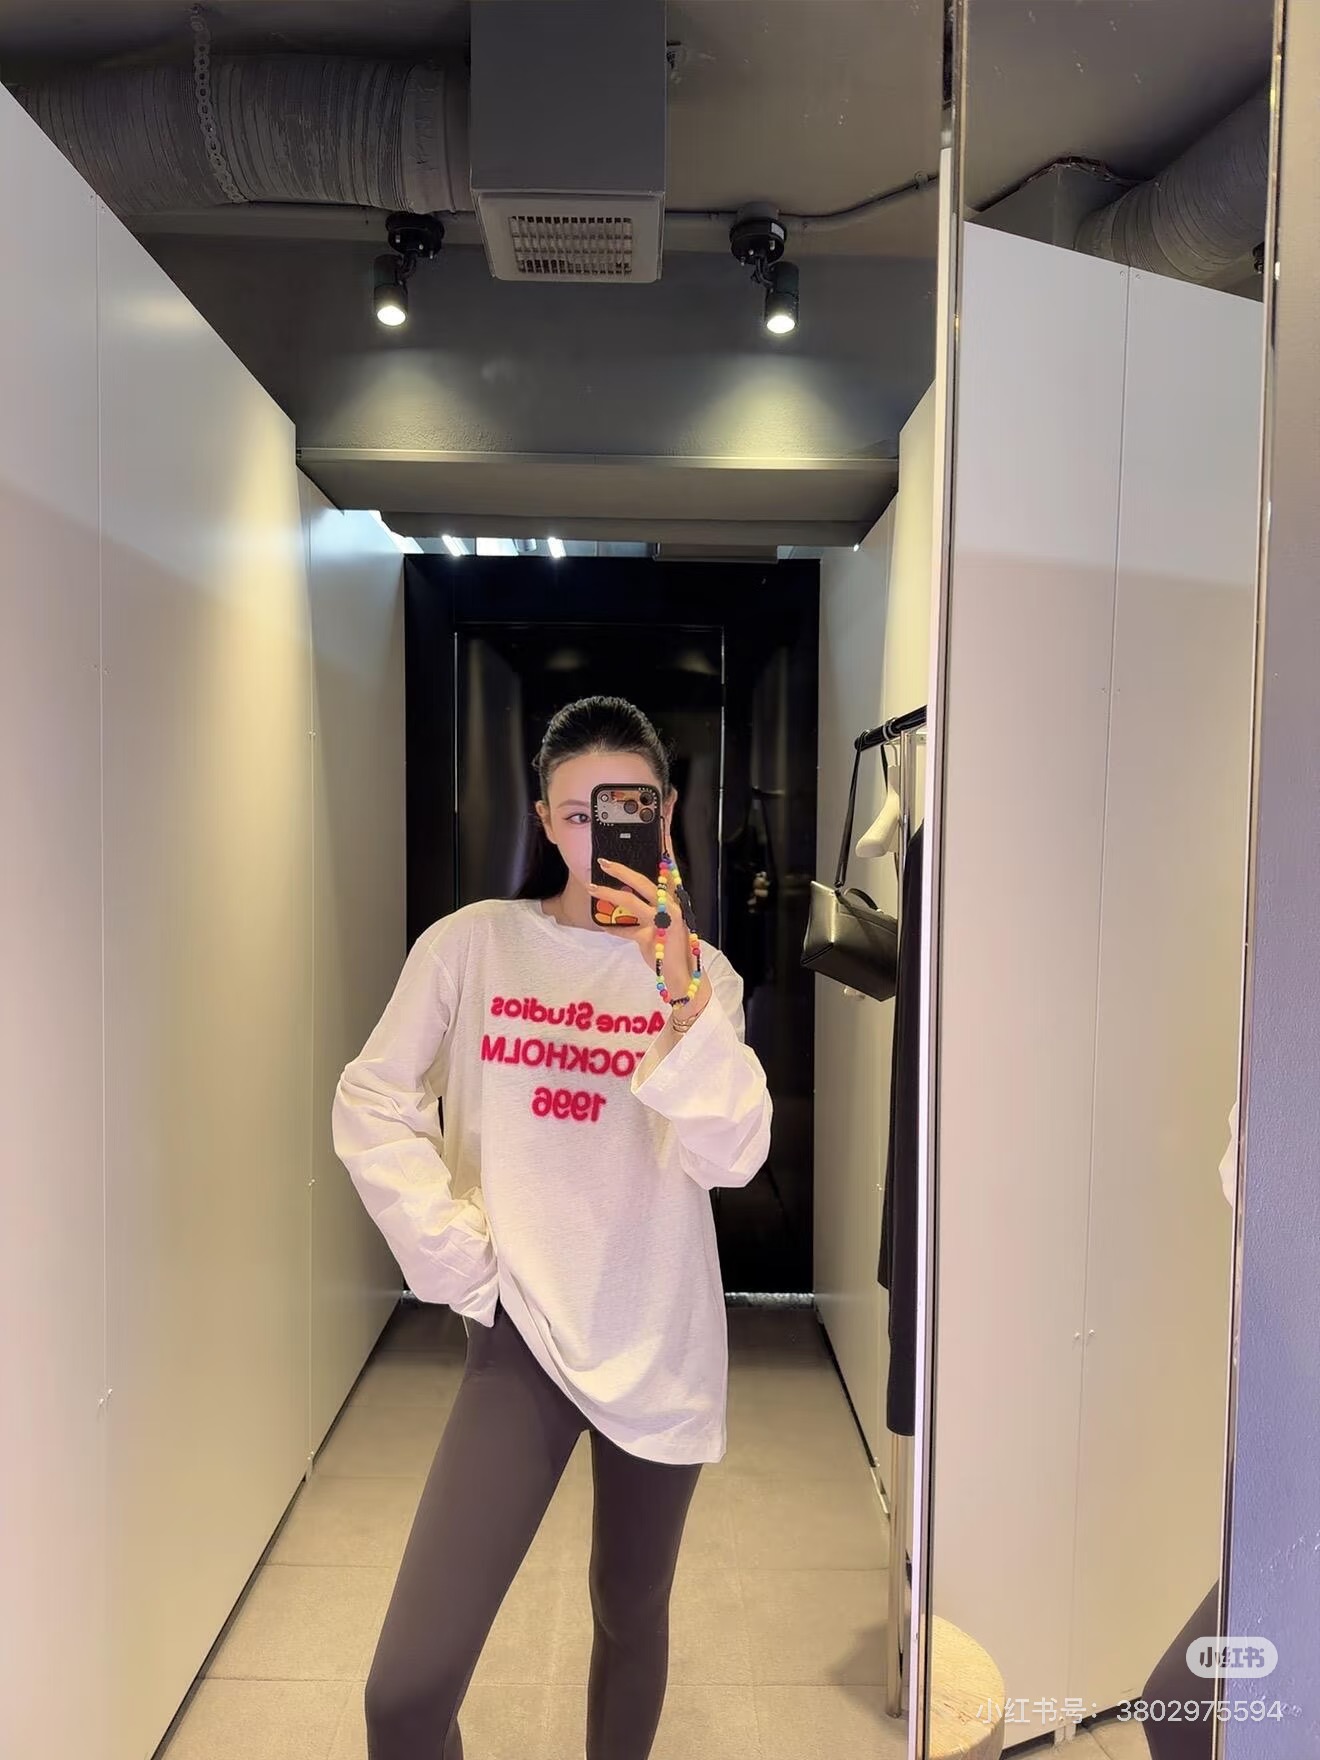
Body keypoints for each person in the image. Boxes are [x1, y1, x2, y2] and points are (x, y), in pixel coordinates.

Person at [331, 695, 773, 1760]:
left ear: (664, 814)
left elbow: (734, 1154)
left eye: (628, 807)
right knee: (405, 1693)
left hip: (657, 1334)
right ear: (544, 819)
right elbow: (372, 1099)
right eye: (578, 813)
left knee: (630, 1609)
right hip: (521, 1329)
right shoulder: (474, 945)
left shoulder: (704, 977)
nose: (599, 833)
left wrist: (676, 985)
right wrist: (459, 1259)